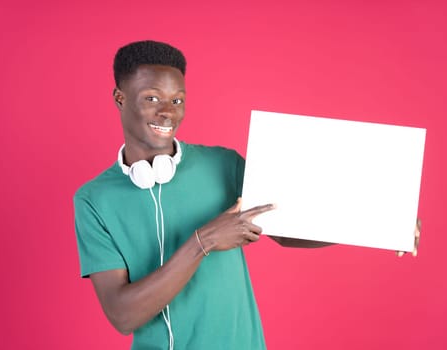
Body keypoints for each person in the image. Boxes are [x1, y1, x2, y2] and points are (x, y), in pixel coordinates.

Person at [74, 40, 419, 350]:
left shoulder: (223, 164)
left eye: (177, 100)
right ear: (120, 98)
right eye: (152, 98)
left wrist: (380, 223)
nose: (168, 111)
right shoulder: (94, 200)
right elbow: (122, 315)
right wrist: (203, 241)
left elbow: (287, 231)